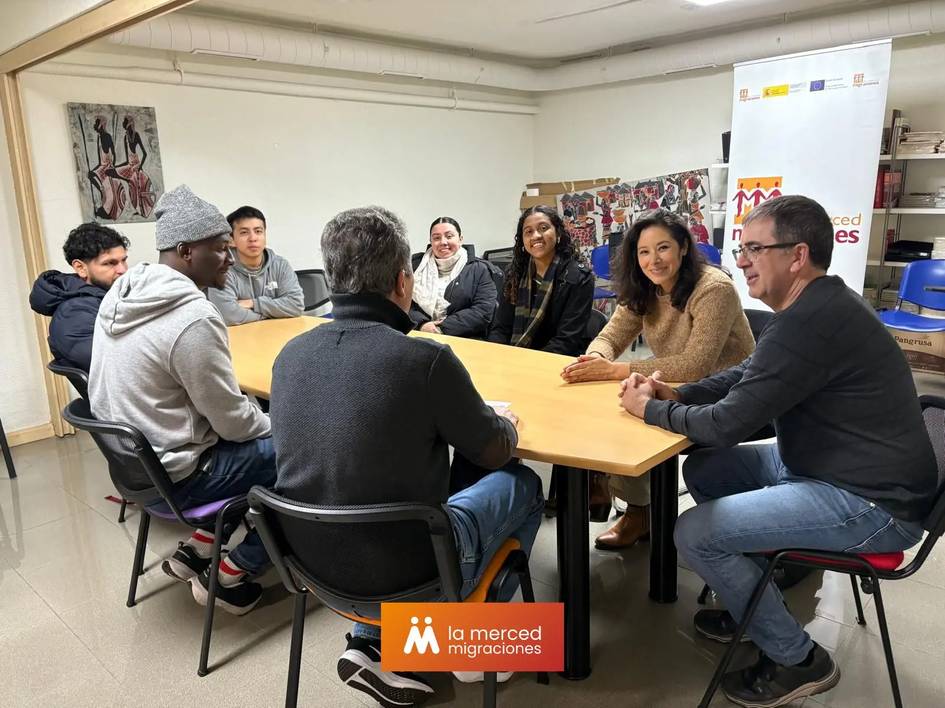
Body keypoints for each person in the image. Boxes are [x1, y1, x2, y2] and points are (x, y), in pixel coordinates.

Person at [620, 195, 937, 708]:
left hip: (871, 501)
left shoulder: (810, 321)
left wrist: (649, 411)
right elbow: (746, 376)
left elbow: (729, 423)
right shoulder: (813, 306)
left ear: (797, 255)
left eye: (754, 249)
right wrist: (678, 394)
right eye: (741, 249)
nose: (741, 260)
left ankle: (799, 658)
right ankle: (755, 600)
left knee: (694, 532)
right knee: (709, 468)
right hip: (823, 465)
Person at [269, 206, 544, 707]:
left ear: (330, 277)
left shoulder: (290, 355)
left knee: (411, 476)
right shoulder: (425, 359)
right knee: (522, 484)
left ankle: (374, 642)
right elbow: (494, 448)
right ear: (403, 282)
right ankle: (466, 642)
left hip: (310, 562)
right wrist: (506, 424)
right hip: (407, 570)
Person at [89, 185, 276, 615]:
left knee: (260, 428)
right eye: (221, 248)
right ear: (187, 251)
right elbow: (234, 423)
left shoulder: (120, 295)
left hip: (138, 472)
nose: (230, 257)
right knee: (310, 451)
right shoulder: (191, 316)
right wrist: (278, 422)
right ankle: (233, 573)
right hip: (184, 476)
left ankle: (200, 547)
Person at [560, 209, 754, 550]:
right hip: (671, 377)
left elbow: (696, 364)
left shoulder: (713, 288)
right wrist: (598, 358)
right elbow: (611, 336)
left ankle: (636, 511)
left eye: (663, 248)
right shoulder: (644, 286)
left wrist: (620, 370)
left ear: (682, 247)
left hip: (723, 389)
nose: (653, 260)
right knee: (615, 403)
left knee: (635, 412)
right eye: (644, 252)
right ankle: (626, 499)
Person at [488, 205, 594, 355]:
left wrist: (525, 363)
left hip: (558, 360)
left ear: (558, 233)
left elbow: (566, 340)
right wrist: (497, 355)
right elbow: (501, 328)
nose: (536, 235)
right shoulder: (515, 273)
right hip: (515, 358)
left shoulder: (578, 277)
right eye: (528, 232)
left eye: (543, 228)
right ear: (522, 240)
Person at [29, 222, 129, 372]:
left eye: (124, 260)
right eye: (110, 263)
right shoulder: (74, 315)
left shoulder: (108, 297)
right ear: (81, 268)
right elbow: (118, 366)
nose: (123, 270)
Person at [208, 205, 304, 325]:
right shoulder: (220, 269)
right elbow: (228, 315)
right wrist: (272, 313)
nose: (253, 238)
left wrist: (254, 303)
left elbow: (296, 305)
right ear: (231, 240)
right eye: (244, 232)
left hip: (275, 334)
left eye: (258, 231)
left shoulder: (280, 265)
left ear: (265, 235)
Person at [409, 216, 498, 338]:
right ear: (430, 241)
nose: (443, 242)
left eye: (449, 236)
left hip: (464, 339)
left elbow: (483, 311)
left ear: (460, 239)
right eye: (436, 238)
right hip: (418, 335)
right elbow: (403, 303)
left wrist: (441, 329)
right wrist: (422, 324)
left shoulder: (479, 269)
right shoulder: (415, 266)